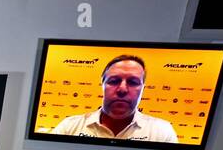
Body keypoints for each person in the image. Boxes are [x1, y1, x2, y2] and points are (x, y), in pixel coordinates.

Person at [49, 54, 178, 143]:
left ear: (143, 88)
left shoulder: (162, 132)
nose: (122, 89)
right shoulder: (69, 127)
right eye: (114, 81)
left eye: (133, 82)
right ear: (102, 84)